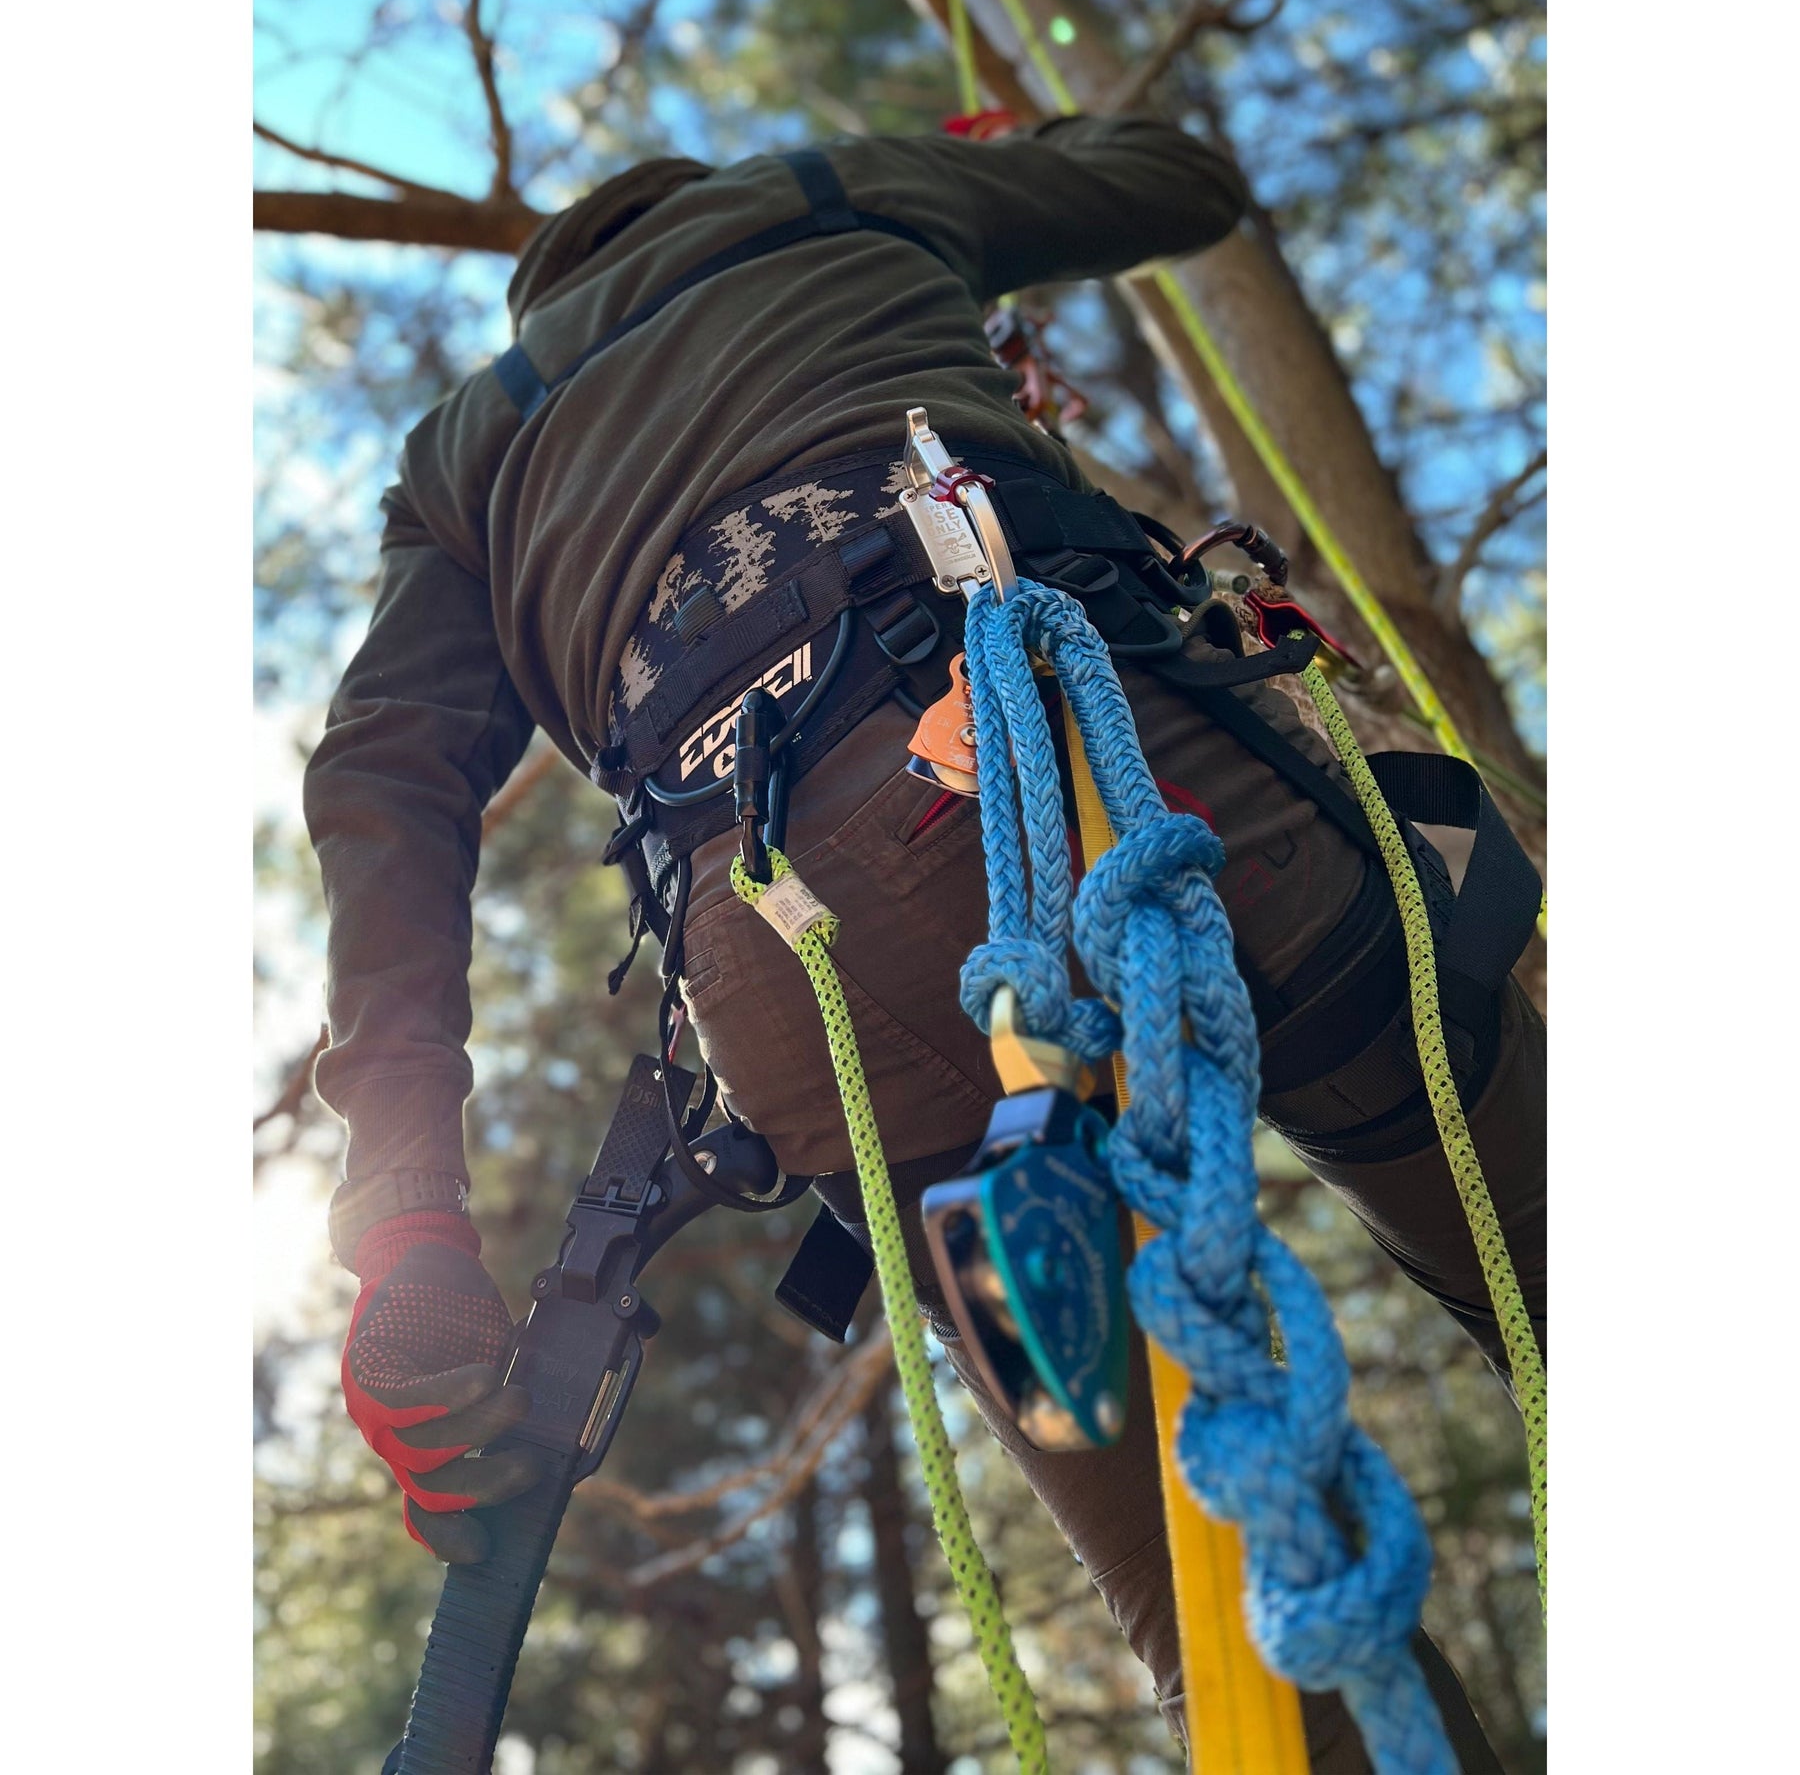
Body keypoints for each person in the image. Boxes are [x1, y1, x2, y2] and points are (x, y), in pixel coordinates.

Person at [306, 114, 1544, 1773]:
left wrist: (407, 1213)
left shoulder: (466, 449)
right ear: (679, 202)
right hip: (1112, 748)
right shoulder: (826, 193)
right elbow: (1186, 183)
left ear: (540, 297)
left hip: (805, 968)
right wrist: (1008, 152)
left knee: (1205, 1590)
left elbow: (382, 781)